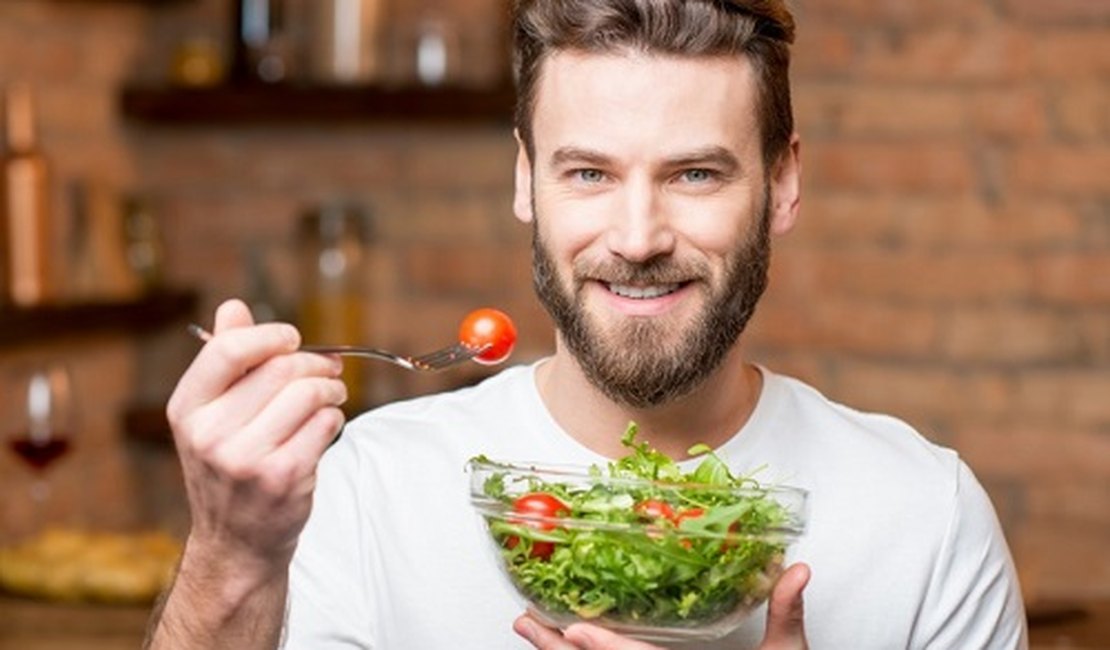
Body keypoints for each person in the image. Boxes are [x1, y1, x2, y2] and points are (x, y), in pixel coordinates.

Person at [144, 0, 1028, 648]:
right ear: (527, 181)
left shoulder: (926, 518)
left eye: (694, 175)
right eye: (589, 175)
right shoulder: (369, 491)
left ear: (783, 183)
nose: (637, 239)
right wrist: (229, 556)